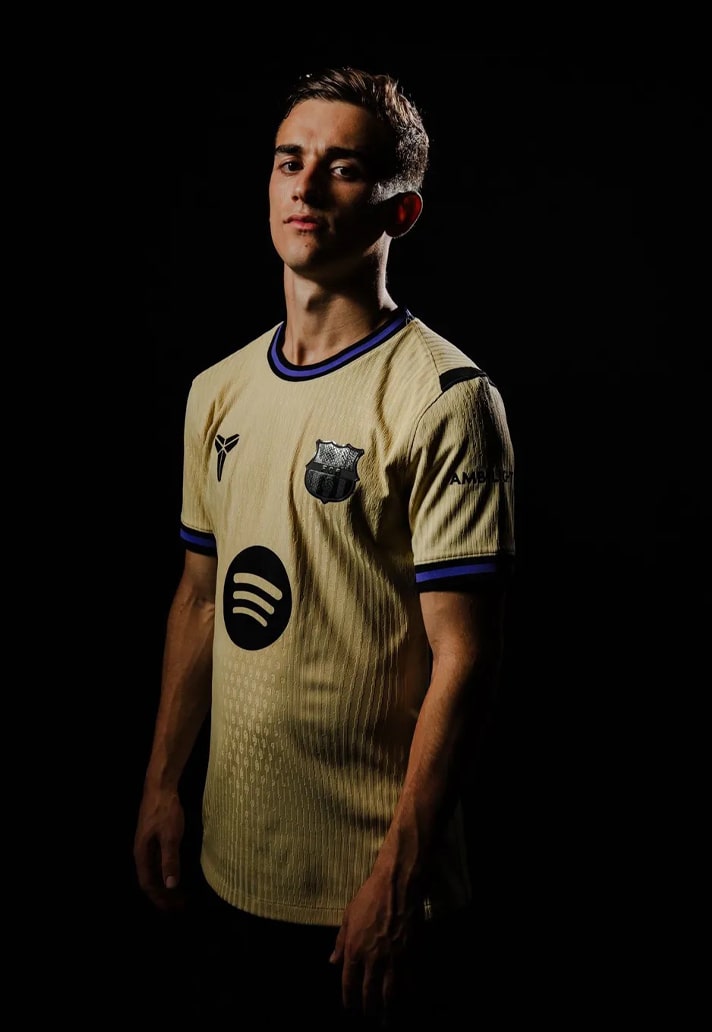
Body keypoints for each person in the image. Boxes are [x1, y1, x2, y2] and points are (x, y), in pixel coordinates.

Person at [134, 65, 516, 1027]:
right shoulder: (217, 390)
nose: (305, 186)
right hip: (229, 866)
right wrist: (162, 785)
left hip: (370, 897)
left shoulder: (446, 399)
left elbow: (466, 658)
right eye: (288, 161)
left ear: (402, 211)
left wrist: (398, 877)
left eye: (343, 168)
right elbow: (198, 598)